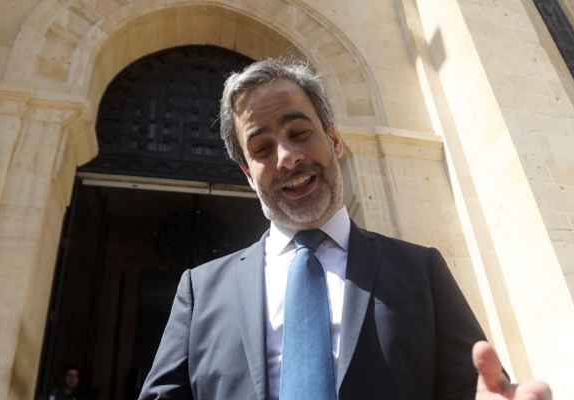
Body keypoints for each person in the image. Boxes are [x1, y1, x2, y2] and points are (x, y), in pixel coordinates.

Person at [139, 59, 551, 400]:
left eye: (299, 134)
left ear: (334, 140)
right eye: (262, 149)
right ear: (248, 174)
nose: (287, 157)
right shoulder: (200, 290)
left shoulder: (420, 271)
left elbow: (476, 388)